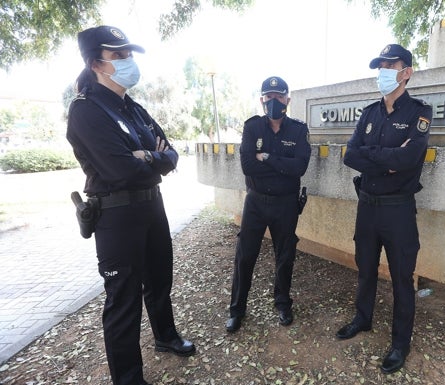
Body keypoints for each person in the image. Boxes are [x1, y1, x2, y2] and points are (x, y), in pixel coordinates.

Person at [66, 26, 195, 385]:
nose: (128, 61)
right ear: (96, 63)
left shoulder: (132, 107)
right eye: (118, 55)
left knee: (159, 280)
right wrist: (151, 158)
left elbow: (171, 152)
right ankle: (129, 378)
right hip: (116, 216)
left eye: (129, 54)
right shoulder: (86, 111)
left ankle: (166, 338)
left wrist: (148, 156)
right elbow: (121, 170)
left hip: (152, 206)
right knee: (123, 299)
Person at [336, 44, 432, 374]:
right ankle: (362, 319)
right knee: (364, 268)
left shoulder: (419, 113)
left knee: (402, 278)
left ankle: (400, 342)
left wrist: (374, 156)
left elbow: (409, 159)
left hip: (398, 211)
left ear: (406, 72)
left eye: (390, 65)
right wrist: (387, 160)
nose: (383, 71)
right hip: (368, 207)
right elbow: (350, 156)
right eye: (380, 66)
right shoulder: (368, 113)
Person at [226, 76, 311, 333]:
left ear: (288, 99)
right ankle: (237, 310)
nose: (274, 101)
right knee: (245, 256)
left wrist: (267, 157)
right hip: (255, 202)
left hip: (285, 204)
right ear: (262, 100)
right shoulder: (252, 127)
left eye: (279, 96)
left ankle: (283, 303)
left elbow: (300, 168)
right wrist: (279, 165)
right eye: (269, 97)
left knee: (285, 255)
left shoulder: (298, 130)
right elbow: (247, 166)